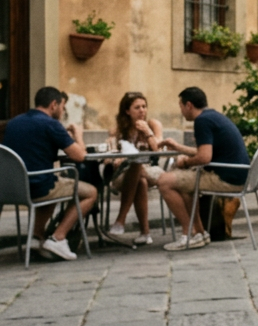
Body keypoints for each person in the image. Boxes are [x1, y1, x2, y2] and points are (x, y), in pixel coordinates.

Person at [1, 87, 97, 261]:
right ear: (54, 104)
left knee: (54, 181)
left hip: (11, 188)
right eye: (63, 106)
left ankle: (36, 237)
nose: (63, 111)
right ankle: (58, 238)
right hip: (38, 187)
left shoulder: (14, 122)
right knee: (90, 192)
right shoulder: (51, 124)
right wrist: (78, 135)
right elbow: (80, 156)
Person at [156, 87, 250, 252]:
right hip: (237, 175)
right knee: (183, 183)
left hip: (226, 179)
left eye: (181, 106)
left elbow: (204, 158)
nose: (181, 111)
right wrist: (178, 147)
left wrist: (184, 163)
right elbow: (206, 152)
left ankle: (190, 234)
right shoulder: (213, 116)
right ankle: (199, 233)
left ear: (189, 105)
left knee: (164, 181)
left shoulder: (201, 121)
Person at [106, 91, 165, 245]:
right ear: (127, 111)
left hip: (151, 170)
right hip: (125, 175)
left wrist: (147, 132)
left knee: (138, 165)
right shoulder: (119, 130)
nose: (142, 110)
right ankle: (145, 234)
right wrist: (117, 156)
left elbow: (157, 150)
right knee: (140, 180)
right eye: (137, 107)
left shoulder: (153, 124)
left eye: (144, 106)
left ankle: (120, 219)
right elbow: (109, 154)